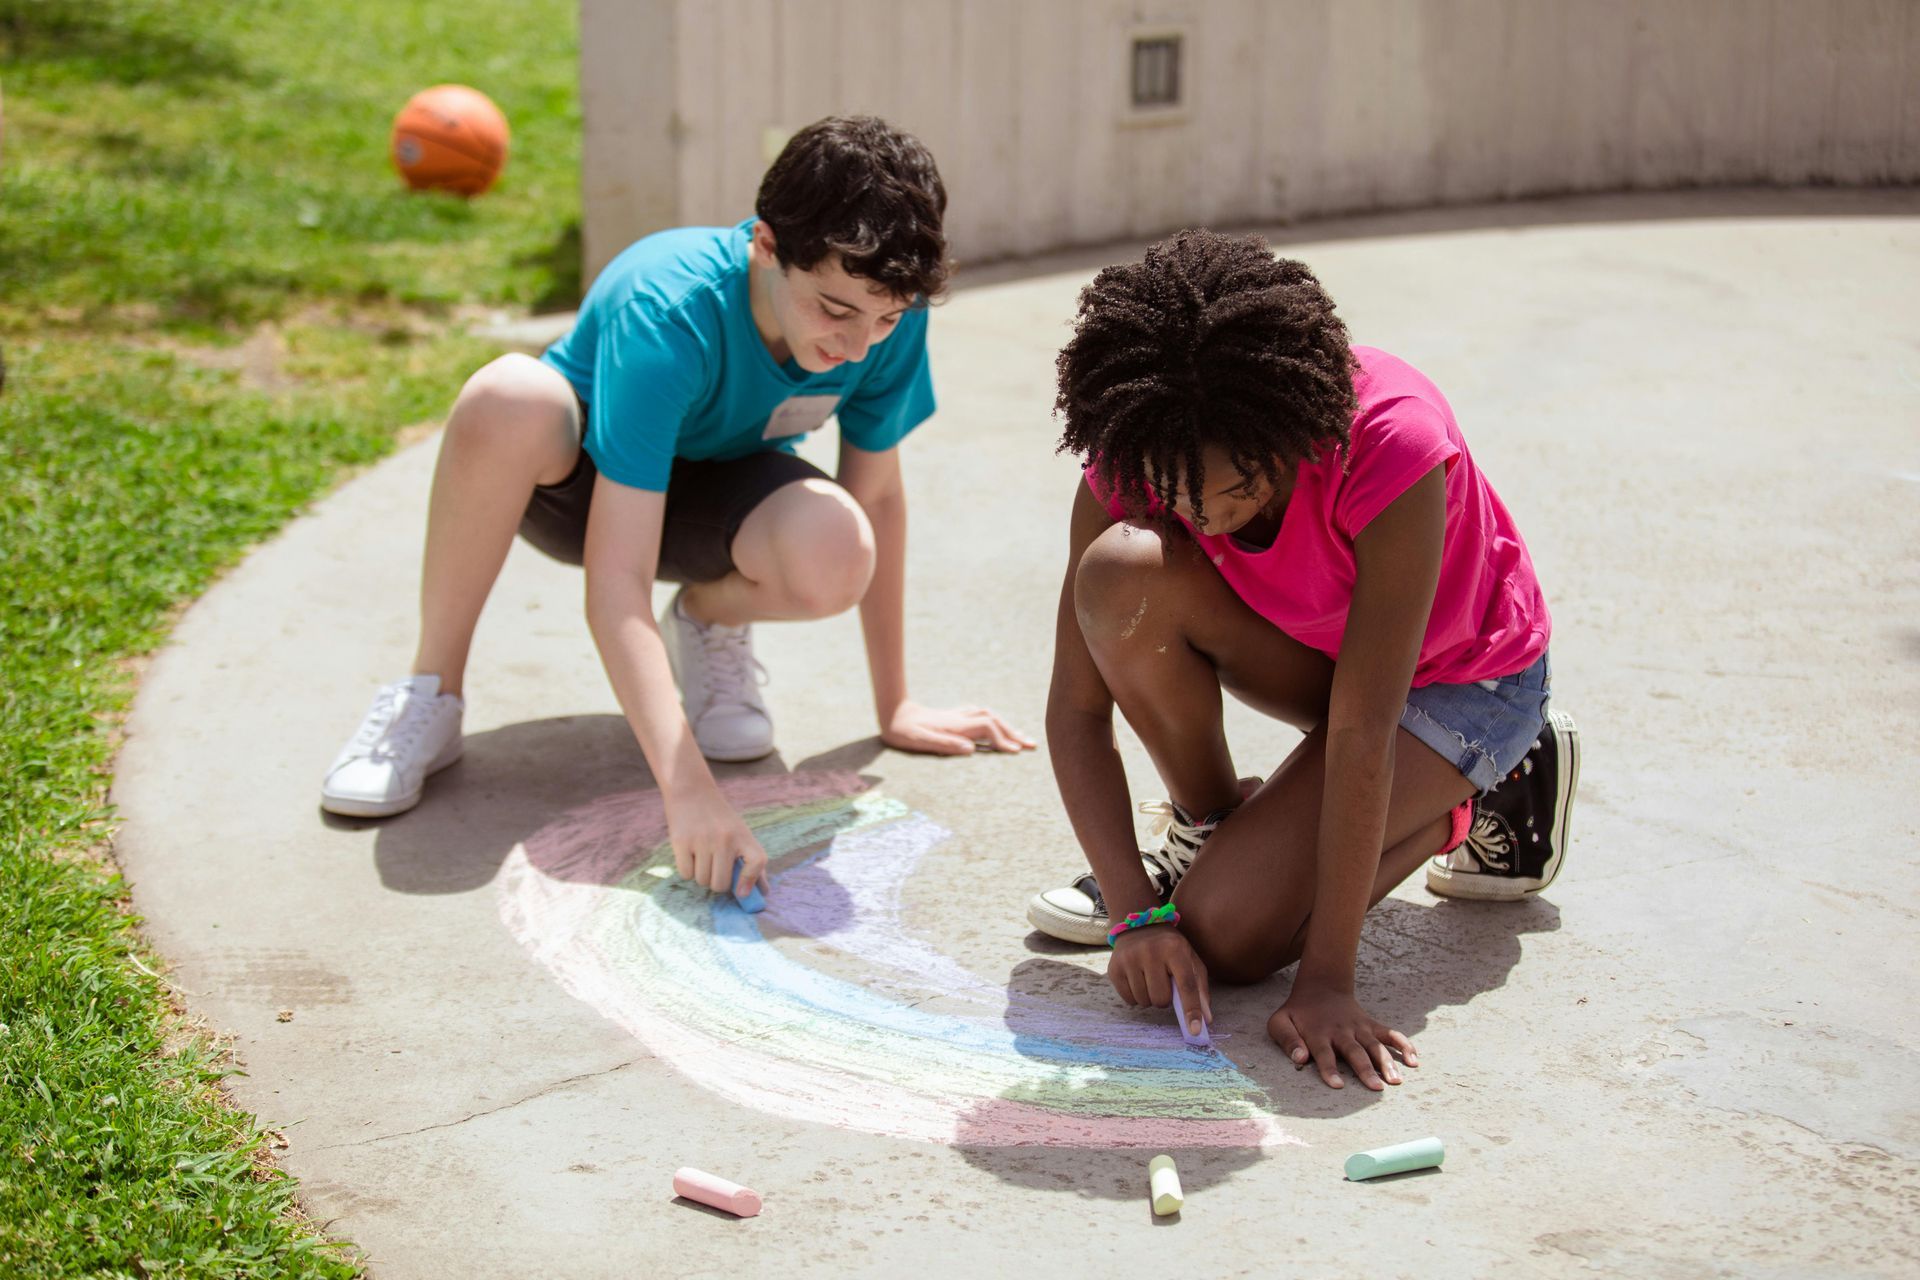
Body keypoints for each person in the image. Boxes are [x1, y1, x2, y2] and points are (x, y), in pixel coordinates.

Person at [322, 115, 1033, 900]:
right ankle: (431, 693)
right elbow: (614, 583)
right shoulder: (668, 305)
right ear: (767, 244)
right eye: (835, 310)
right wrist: (689, 791)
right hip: (582, 488)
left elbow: (878, 496)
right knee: (507, 397)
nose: (860, 345)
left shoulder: (881, 308)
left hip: (719, 501)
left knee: (839, 545)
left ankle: (708, 620)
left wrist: (894, 704)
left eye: (885, 318)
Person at [1026, 229, 1578, 1091]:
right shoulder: (1148, 446)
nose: (1201, 523)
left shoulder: (1391, 441)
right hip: (1324, 656)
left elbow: (1363, 729)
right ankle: (1212, 826)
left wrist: (1327, 982)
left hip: (1463, 682)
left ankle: (1478, 791)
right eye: (1178, 499)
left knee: (1232, 937)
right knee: (1121, 575)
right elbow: (1075, 708)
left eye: (1234, 497)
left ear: (1289, 438)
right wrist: (1136, 913)